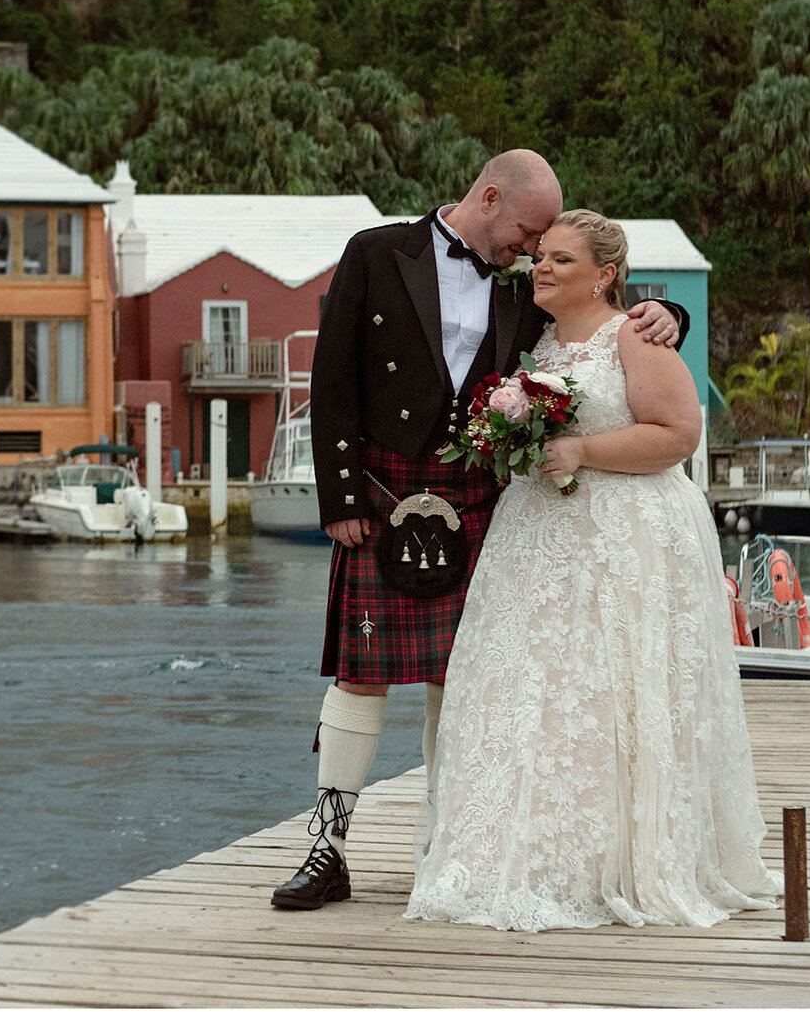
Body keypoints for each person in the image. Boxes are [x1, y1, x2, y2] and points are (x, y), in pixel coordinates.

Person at [271, 154, 689, 911]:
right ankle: (326, 849)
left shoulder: (524, 283)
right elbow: (328, 378)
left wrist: (670, 315)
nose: (532, 253)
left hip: (473, 492)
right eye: (527, 233)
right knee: (359, 673)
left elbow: (594, 321)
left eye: (541, 246)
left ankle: (444, 840)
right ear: (490, 198)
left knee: (460, 675)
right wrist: (336, 495)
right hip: (381, 486)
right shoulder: (375, 251)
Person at [406, 210, 779, 931]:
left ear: (605, 274)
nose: (540, 267)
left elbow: (678, 433)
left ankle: (625, 859)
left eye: (561, 260)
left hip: (627, 535)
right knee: (541, 691)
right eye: (539, 256)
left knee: (617, 691)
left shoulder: (634, 335)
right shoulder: (535, 336)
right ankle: (544, 853)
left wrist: (581, 452)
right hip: (541, 538)